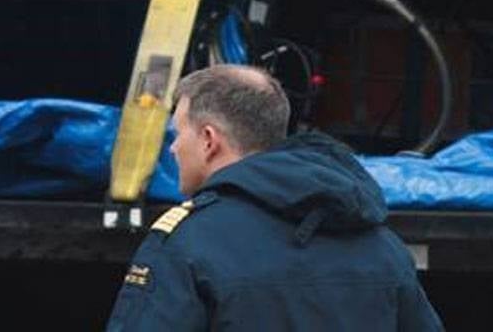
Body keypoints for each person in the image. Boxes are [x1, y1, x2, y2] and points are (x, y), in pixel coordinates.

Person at [107, 64, 442, 331]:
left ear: (209, 140)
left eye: (178, 133)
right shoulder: (382, 245)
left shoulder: (188, 242)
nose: (174, 148)